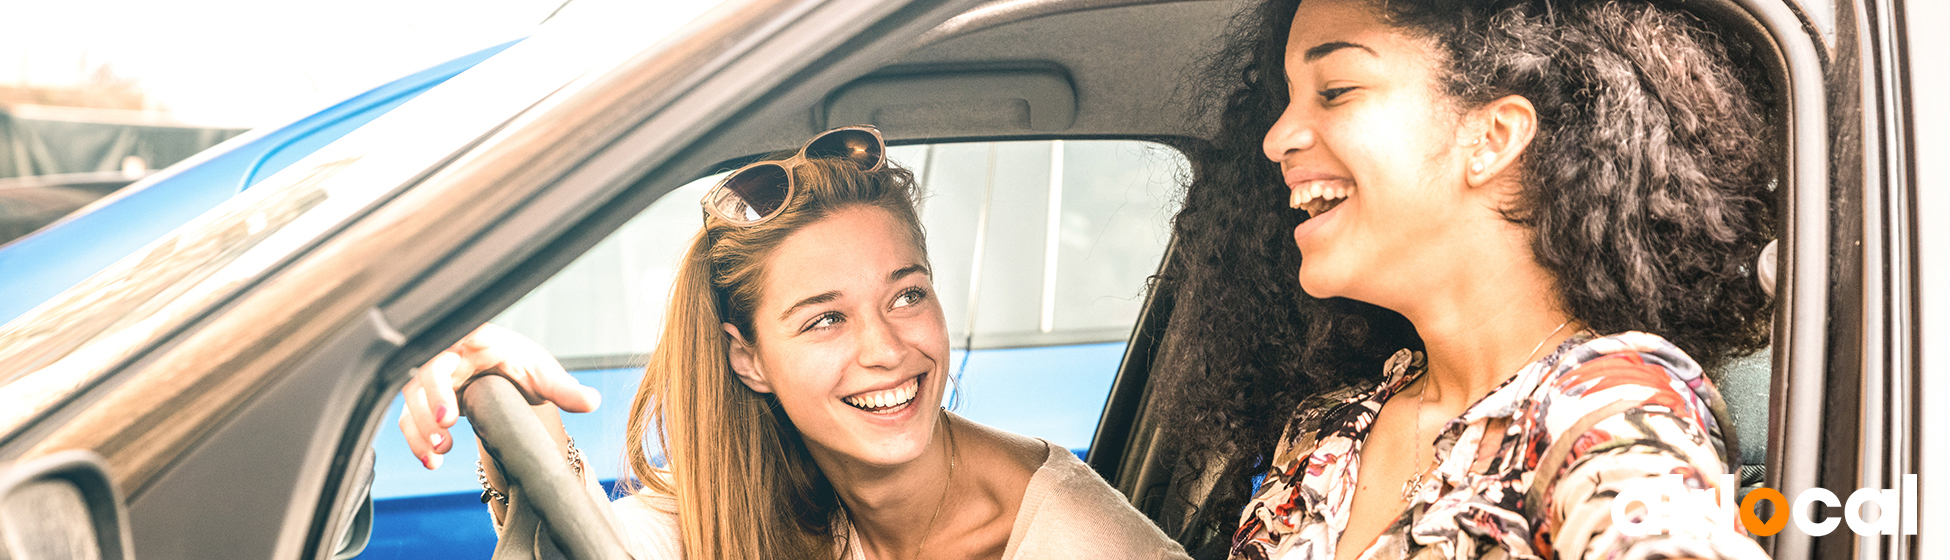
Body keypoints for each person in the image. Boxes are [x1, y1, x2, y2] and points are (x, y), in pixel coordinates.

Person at [1154, 0, 1777, 558]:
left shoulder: (1604, 417)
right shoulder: (1326, 432)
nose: (1276, 138)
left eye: (1336, 89)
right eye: (1287, 98)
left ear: (1493, 136)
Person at [395, 126, 1192, 560]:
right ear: (748, 358)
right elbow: (611, 545)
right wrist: (514, 404)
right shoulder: (756, 493)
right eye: (825, 318)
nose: (886, 350)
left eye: (906, 295)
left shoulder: (1076, 540)